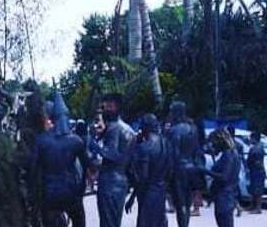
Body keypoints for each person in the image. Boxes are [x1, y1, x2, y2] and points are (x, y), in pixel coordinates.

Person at [30, 91, 92, 227]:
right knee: (79, 220)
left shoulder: (41, 140)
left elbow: (33, 171)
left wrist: (34, 197)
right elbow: (88, 165)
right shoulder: (76, 141)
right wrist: (81, 188)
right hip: (72, 192)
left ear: (52, 118)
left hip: (50, 194)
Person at [90, 94, 136, 227]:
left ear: (116, 108)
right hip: (122, 181)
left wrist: (94, 145)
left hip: (110, 181)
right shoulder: (129, 130)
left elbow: (112, 154)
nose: (105, 110)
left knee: (108, 222)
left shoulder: (114, 128)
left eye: (108, 107)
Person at [164, 101, 203, 227]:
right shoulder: (193, 129)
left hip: (179, 169)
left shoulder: (174, 131)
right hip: (192, 168)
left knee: (180, 203)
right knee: (187, 202)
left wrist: (168, 173)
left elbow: (172, 154)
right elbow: (197, 151)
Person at [130, 113, 170, 227]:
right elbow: (170, 170)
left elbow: (143, 178)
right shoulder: (166, 143)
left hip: (148, 193)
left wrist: (133, 196)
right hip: (161, 191)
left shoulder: (144, 147)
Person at [246, 131, 267, 214]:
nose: (250, 140)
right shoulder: (256, 147)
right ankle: (252, 205)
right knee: (253, 189)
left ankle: (258, 208)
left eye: (251, 138)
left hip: (257, 171)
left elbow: (254, 160)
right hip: (254, 170)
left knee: (258, 190)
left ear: (254, 138)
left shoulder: (257, 148)